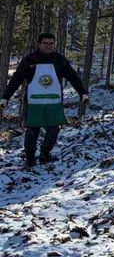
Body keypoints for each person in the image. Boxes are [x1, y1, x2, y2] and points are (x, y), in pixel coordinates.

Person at [0, 33, 89, 168]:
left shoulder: (59, 60)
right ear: (39, 44)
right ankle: (30, 158)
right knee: (32, 130)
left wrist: (82, 92)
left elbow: (73, 76)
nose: (48, 46)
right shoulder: (29, 60)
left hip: (53, 102)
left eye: (51, 43)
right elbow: (16, 79)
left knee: (54, 130)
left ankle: (45, 154)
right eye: (45, 43)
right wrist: (5, 97)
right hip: (33, 102)